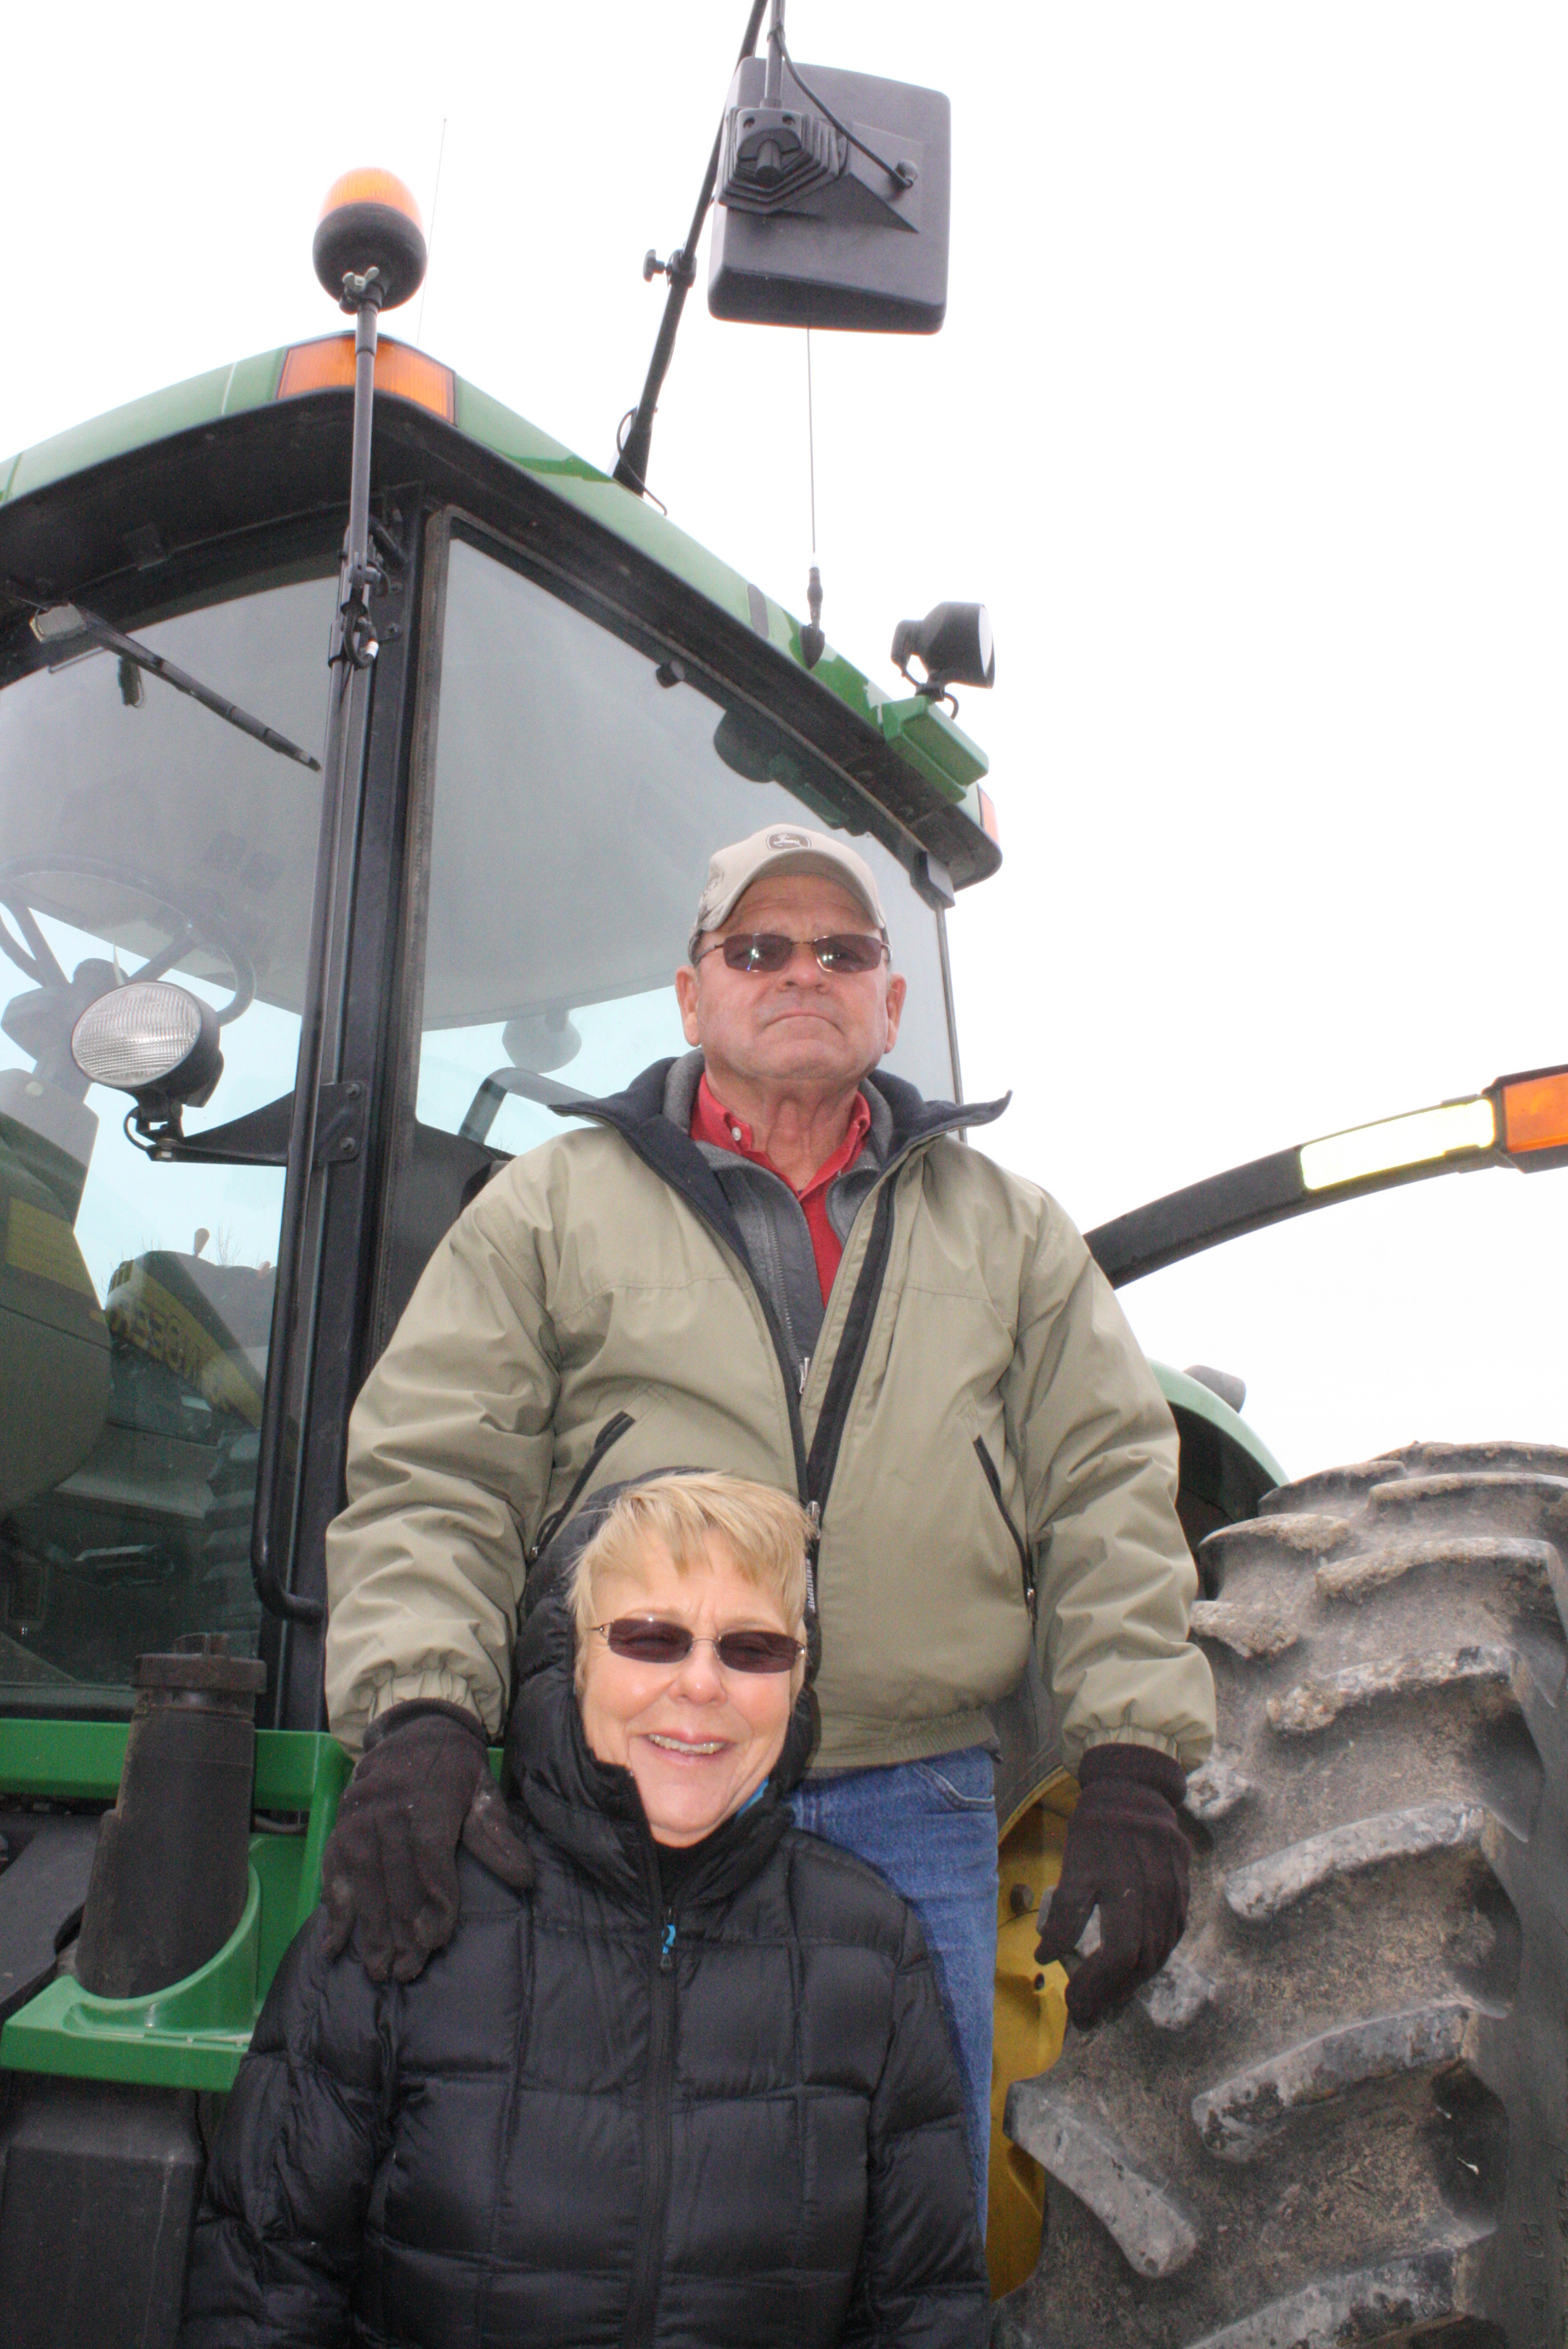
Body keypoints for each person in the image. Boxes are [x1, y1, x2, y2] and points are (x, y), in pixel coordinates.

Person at [321, 822, 1215, 2207]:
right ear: (693, 992)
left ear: (889, 999)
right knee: (603, 2206)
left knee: (903, 2216)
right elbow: (438, 1472)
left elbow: (1109, 1486)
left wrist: (1136, 1767)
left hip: (915, 1792)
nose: (802, 972)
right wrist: (423, 1717)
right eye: (758, 947)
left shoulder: (1012, 1232)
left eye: (842, 950)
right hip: (628, 1797)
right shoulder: (553, 1207)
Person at [180, 1474, 989, 2349]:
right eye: (650, 1637)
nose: (701, 1682)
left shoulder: (870, 1951)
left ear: (796, 1683)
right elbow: (265, 2296)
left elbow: (924, 2316)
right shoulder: (413, 1909)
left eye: (753, 1648)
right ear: (570, 1661)